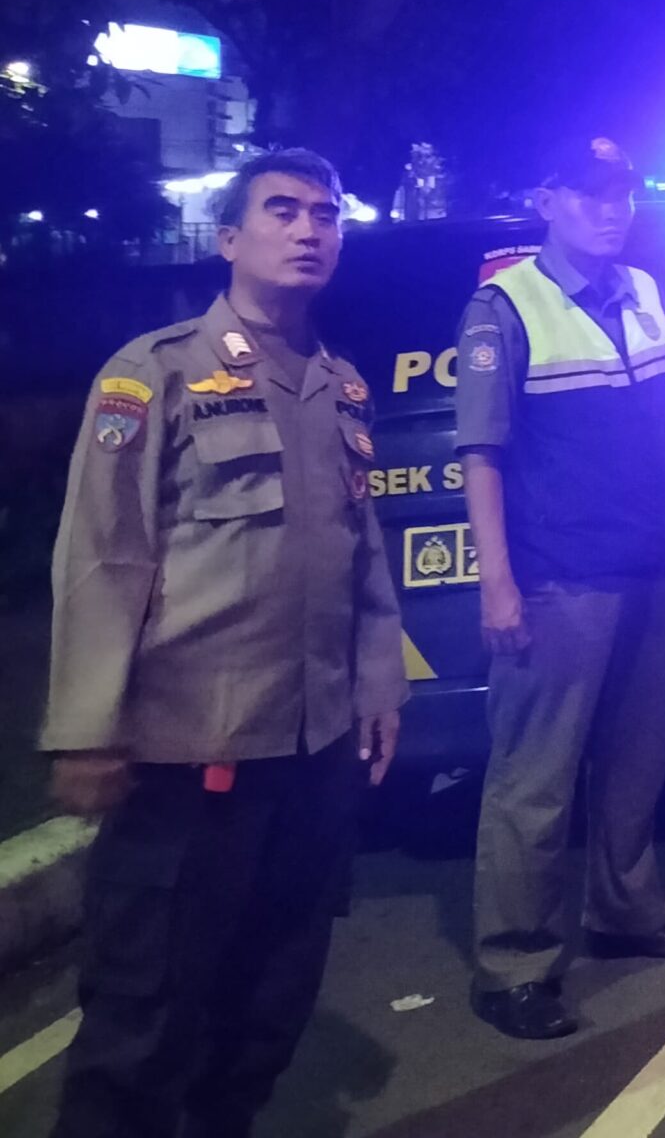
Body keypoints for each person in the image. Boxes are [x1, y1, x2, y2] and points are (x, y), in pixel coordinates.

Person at [41, 149, 405, 1138]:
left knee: (266, 1007)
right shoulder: (154, 372)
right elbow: (102, 553)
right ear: (229, 238)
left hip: (312, 747)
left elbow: (360, 550)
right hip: (191, 747)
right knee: (144, 1020)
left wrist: (379, 682)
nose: (308, 229)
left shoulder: (339, 387)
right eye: (282, 210)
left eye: (326, 214)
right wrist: (86, 729)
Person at [455, 136, 665, 1041]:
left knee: (636, 758)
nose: (612, 209)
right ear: (548, 200)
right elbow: (482, 454)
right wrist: (498, 582)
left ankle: (625, 914)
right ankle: (514, 966)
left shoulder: (642, 289)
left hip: (651, 562)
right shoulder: (506, 306)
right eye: (590, 193)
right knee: (535, 779)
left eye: (623, 194)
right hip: (561, 575)